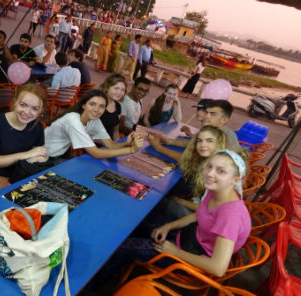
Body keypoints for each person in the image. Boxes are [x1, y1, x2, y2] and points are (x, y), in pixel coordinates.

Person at [119, 150, 251, 278]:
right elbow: (197, 216)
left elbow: (218, 268)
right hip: (189, 238)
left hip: (194, 261)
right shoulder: (216, 190)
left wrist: (176, 252)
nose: (210, 173)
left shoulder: (230, 215)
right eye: (209, 166)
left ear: (236, 179)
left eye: (220, 171)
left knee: (124, 246)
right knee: (141, 219)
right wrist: (169, 226)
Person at [0, 84, 48, 195]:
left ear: (41, 110)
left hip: (18, 173)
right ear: (15, 102)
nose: (27, 112)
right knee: (17, 200)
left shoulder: (37, 126)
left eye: (35, 109)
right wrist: (27, 155)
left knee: (44, 193)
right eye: (23, 105)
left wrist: (40, 157)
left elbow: (40, 154)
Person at [44, 89, 144, 159]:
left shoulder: (95, 121)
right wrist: (131, 149)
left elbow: (111, 145)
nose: (96, 109)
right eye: (92, 104)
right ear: (83, 105)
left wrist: (127, 143)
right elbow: (95, 153)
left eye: (101, 106)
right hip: (43, 156)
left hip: (59, 154)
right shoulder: (73, 119)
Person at [99, 74, 127, 140]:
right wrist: (111, 145)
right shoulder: (97, 104)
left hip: (110, 145)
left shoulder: (118, 106)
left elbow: (115, 132)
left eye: (123, 90)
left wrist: (118, 144)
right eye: (116, 88)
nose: (119, 93)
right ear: (107, 87)